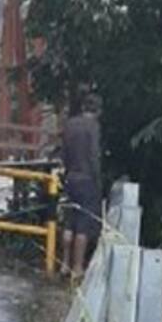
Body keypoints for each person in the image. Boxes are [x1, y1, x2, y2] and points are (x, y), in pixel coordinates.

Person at [59, 93, 103, 280]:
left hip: (71, 177)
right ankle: (77, 268)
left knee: (69, 222)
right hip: (86, 179)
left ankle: (64, 264)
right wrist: (98, 178)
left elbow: (64, 152)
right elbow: (93, 155)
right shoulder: (93, 127)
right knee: (83, 226)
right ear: (98, 110)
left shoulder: (70, 124)